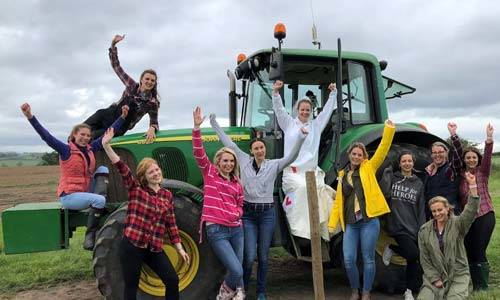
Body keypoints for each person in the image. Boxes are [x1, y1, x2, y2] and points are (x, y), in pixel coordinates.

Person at [210, 114, 307, 300]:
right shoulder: (243, 160)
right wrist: (215, 124)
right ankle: (242, 288)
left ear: (265, 149)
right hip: (247, 214)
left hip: (266, 215)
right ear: (251, 150)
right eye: (256, 148)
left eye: (261, 147)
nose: (259, 150)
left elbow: (292, 156)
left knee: (263, 256)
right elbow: (228, 144)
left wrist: (301, 138)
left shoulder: (274, 165)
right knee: (248, 256)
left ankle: (261, 291)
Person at [20, 102, 129, 250]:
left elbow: (108, 133)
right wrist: (30, 117)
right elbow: (46, 136)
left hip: (84, 191)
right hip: (70, 196)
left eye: (88, 135)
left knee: (102, 168)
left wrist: (122, 117)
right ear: (74, 135)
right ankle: (90, 236)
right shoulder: (65, 150)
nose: (85, 138)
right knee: (100, 200)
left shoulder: (91, 148)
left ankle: (98, 204)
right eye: (82, 134)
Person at [101, 128, 189, 300]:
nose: (156, 173)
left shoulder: (167, 195)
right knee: (131, 287)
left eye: (157, 170)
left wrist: (179, 247)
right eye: (151, 172)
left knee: (172, 279)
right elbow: (122, 168)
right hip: (132, 247)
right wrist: (106, 146)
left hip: (154, 248)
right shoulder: (137, 191)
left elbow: (171, 224)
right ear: (144, 177)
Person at [328, 120, 396, 300]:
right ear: (349, 155)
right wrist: (331, 223)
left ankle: (366, 292)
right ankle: (354, 289)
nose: (356, 157)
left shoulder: (369, 168)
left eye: (360, 154)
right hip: (351, 223)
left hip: (368, 221)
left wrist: (388, 129)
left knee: (368, 258)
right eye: (354, 154)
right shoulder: (343, 176)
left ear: (363, 157)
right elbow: (338, 203)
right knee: (349, 259)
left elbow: (382, 150)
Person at [272, 80, 337, 241]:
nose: (305, 112)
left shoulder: (316, 125)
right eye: (302, 109)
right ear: (297, 110)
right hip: (293, 173)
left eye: (308, 109)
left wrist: (333, 94)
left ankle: (321, 230)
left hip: (311, 173)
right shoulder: (289, 124)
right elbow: (279, 111)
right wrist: (275, 94)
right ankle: (300, 232)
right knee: (301, 189)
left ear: (311, 111)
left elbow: (327, 112)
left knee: (322, 192)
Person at [192, 107, 245, 300]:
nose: (228, 164)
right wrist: (197, 128)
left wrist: (237, 214)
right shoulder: (210, 173)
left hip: (236, 229)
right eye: (225, 160)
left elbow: (240, 204)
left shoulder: (237, 182)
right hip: (217, 230)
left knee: (239, 268)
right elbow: (198, 153)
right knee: (237, 271)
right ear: (218, 161)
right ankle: (225, 294)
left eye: (231, 161)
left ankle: (234, 292)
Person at [84, 34, 160, 143]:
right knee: (80, 131)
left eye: (152, 80)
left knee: (90, 137)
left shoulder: (152, 102)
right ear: (141, 80)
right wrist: (113, 45)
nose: (149, 82)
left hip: (119, 126)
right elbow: (116, 67)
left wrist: (152, 129)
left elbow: (154, 122)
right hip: (108, 114)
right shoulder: (131, 85)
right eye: (147, 79)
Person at [417, 172, 480, 300]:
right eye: (434, 211)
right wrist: (434, 278)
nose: (437, 213)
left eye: (440, 210)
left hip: (458, 273)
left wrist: (473, 186)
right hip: (435, 275)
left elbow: (471, 211)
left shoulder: (458, 224)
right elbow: (425, 258)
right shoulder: (424, 230)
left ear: (447, 209)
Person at [380, 151, 426, 300]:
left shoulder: (418, 183)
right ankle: (392, 247)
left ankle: (409, 291)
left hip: (413, 226)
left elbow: (420, 208)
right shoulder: (393, 178)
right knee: (413, 254)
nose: (407, 163)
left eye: (410, 161)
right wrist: (387, 173)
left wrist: (422, 229)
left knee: (414, 258)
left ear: (413, 163)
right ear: (399, 164)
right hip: (396, 225)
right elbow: (384, 193)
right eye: (404, 161)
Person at [458, 124, 495, 291]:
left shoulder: (483, 171)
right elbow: (456, 154)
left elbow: (487, 156)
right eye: (468, 157)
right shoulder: (461, 176)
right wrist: (454, 136)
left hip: (485, 215)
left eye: (474, 157)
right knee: (470, 251)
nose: (471, 159)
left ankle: (482, 287)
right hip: (468, 218)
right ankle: (476, 284)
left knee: (479, 249)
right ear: (464, 159)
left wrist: (488, 139)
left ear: (477, 159)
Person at [424, 122, 463, 218]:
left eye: (441, 152)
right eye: (434, 153)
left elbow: (458, 155)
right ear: (431, 155)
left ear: (446, 153)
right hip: (433, 216)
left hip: (449, 215)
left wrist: (453, 135)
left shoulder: (450, 170)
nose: (437, 155)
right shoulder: (428, 173)